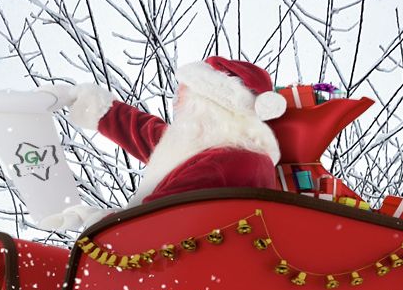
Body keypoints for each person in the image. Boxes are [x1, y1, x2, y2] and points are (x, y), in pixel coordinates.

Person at [51, 56, 287, 208]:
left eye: (184, 98)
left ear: (207, 107)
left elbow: (154, 221)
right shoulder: (224, 147)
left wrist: (99, 224)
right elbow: (153, 137)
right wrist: (92, 105)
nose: (177, 105)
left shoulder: (226, 162)